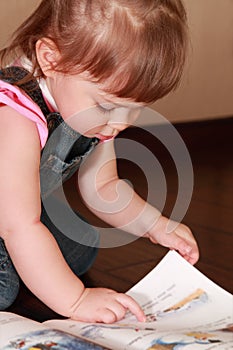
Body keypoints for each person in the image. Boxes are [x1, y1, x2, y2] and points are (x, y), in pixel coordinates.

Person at [0, 0, 199, 324]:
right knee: (5, 287)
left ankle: (32, 266)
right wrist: (76, 301)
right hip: (12, 219)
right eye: (107, 107)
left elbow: (104, 186)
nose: (119, 124)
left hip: (16, 211)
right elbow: (18, 225)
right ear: (50, 59)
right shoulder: (14, 117)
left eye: (133, 108)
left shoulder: (92, 108)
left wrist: (155, 225)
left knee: (83, 247)